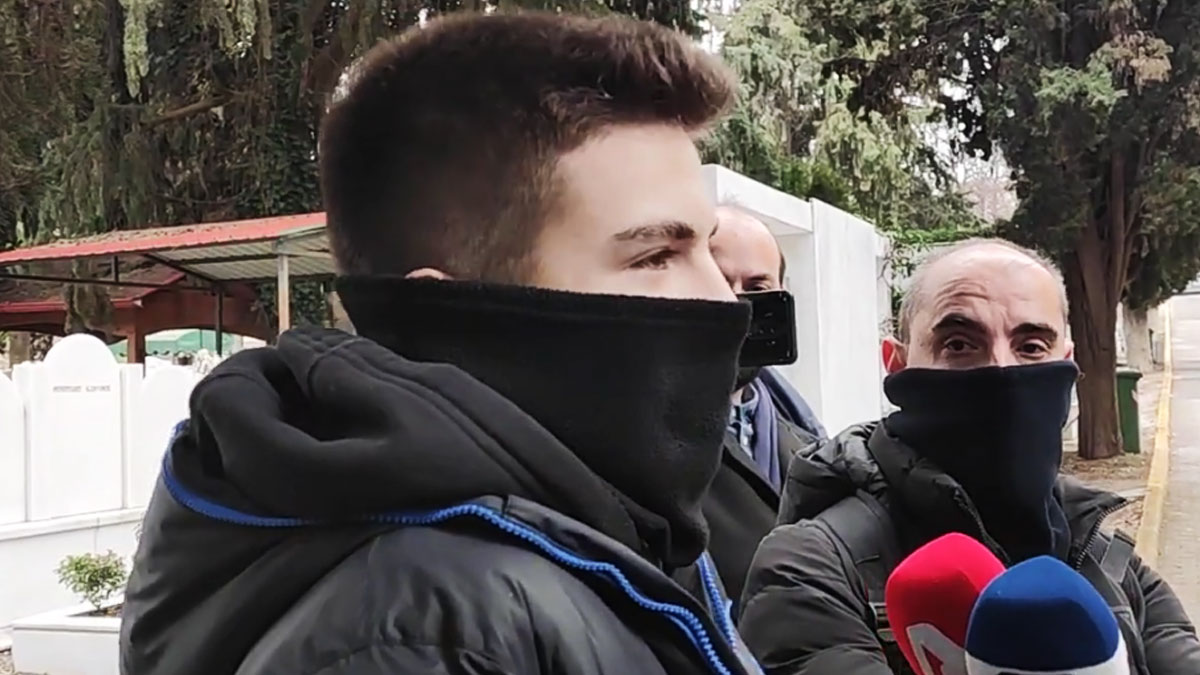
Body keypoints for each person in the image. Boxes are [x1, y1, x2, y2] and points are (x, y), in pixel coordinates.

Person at [119, 13, 763, 675]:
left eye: (706, 250)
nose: (724, 302)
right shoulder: (423, 634)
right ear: (457, 314)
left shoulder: (601, 530)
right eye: (654, 255)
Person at [738, 238, 1200, 674]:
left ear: (1067, 362)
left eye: (1031, 347)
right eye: (959, 344)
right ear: (896, 363)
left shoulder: (1103, 552)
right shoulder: (811, 567)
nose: (1001, 370)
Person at [703, 205, 824, 606]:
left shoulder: (814, 453)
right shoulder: (633, 446)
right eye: (717, 281)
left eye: (757, 288)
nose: (737, 303)